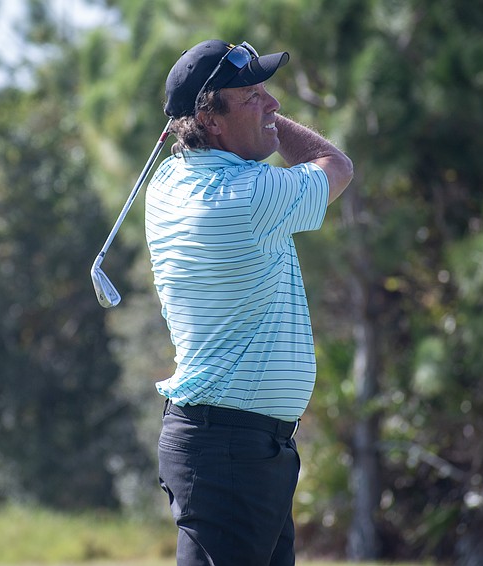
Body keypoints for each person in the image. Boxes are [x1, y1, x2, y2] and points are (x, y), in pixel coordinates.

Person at [145, 39, 354, 566]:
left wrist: (245, 116)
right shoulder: (250, 196)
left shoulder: (167, 184)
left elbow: (192, 147)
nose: (274, 105)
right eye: (253, 96)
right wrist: (265, 130)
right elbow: (335, 164)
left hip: (235, 447)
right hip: (230, 448)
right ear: (210, 119)